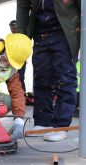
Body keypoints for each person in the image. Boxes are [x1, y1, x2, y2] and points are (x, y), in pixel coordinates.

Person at [17, 0, 81, 141]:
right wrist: (21, 35)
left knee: (65, 78)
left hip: (65, 31)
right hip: (40, 30)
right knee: (41, 76)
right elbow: (23, 4)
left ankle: (61, 125)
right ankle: (42, 122)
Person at [9, 20, 26, 92]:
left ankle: (23, 94)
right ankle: (13, 95)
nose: (12, 29)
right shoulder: (9, 37)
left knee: (20, 78)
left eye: (14, 27)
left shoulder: (22, 36)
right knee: (11, 78)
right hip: (11, 61)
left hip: (20, 60)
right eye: (11, 27)